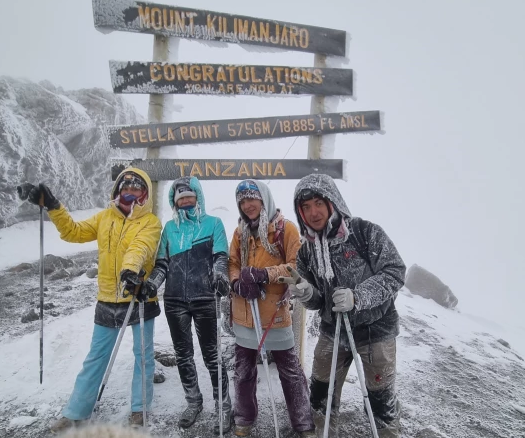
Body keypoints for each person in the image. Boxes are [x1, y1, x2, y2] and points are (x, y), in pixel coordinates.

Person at [21, 168, 162, 432]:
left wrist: (129, 271)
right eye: (125, 186)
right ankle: (76, 411)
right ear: (118, 189)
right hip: (108, 297)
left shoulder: (151, 222)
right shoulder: (105, 217)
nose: (129, 191)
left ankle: (139, 409)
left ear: (145, 193)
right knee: (96, 356)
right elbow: (73, 232)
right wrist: (53, 206)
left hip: (139, 296)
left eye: (136, 187)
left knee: (143, 355)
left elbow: (141, 247)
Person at [281, 174, 405, 438]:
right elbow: (318, 301)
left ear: (332, 202)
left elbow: (395, 271)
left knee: (379, 398)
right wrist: (305, 291)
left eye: (318, 203)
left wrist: (358, 296)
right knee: (320, 392)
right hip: (332, 329)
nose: (313, 212)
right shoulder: (307, 251)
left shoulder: (364, 232)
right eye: (305, 207)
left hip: (376, 330)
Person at [229, 179, 315, 438]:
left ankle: (303, 423)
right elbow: (232, 262)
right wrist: (237, 283)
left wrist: (264, 275)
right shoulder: (239, 232)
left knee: (290, 372)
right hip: (244, 313)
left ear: (264, 199)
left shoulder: (285, 229)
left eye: (252, 199)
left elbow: (296, 266)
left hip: (275, 314)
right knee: (243, 371)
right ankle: (244, 419)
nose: (248, 205)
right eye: (242, 201)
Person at [146, 176, 232, 433]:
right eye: (180, 198)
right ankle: (193, 402)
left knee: (212, 356)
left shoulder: (214, 224)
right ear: (174, 201)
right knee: (183, 356)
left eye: (189, 196)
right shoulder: (169, 229)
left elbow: (220, 258)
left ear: (198, 197)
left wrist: (220, 275)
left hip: (205, 298)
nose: (185, 201)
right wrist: (152, 283)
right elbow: (162, 263)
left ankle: (223, 406)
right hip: (174, 300)